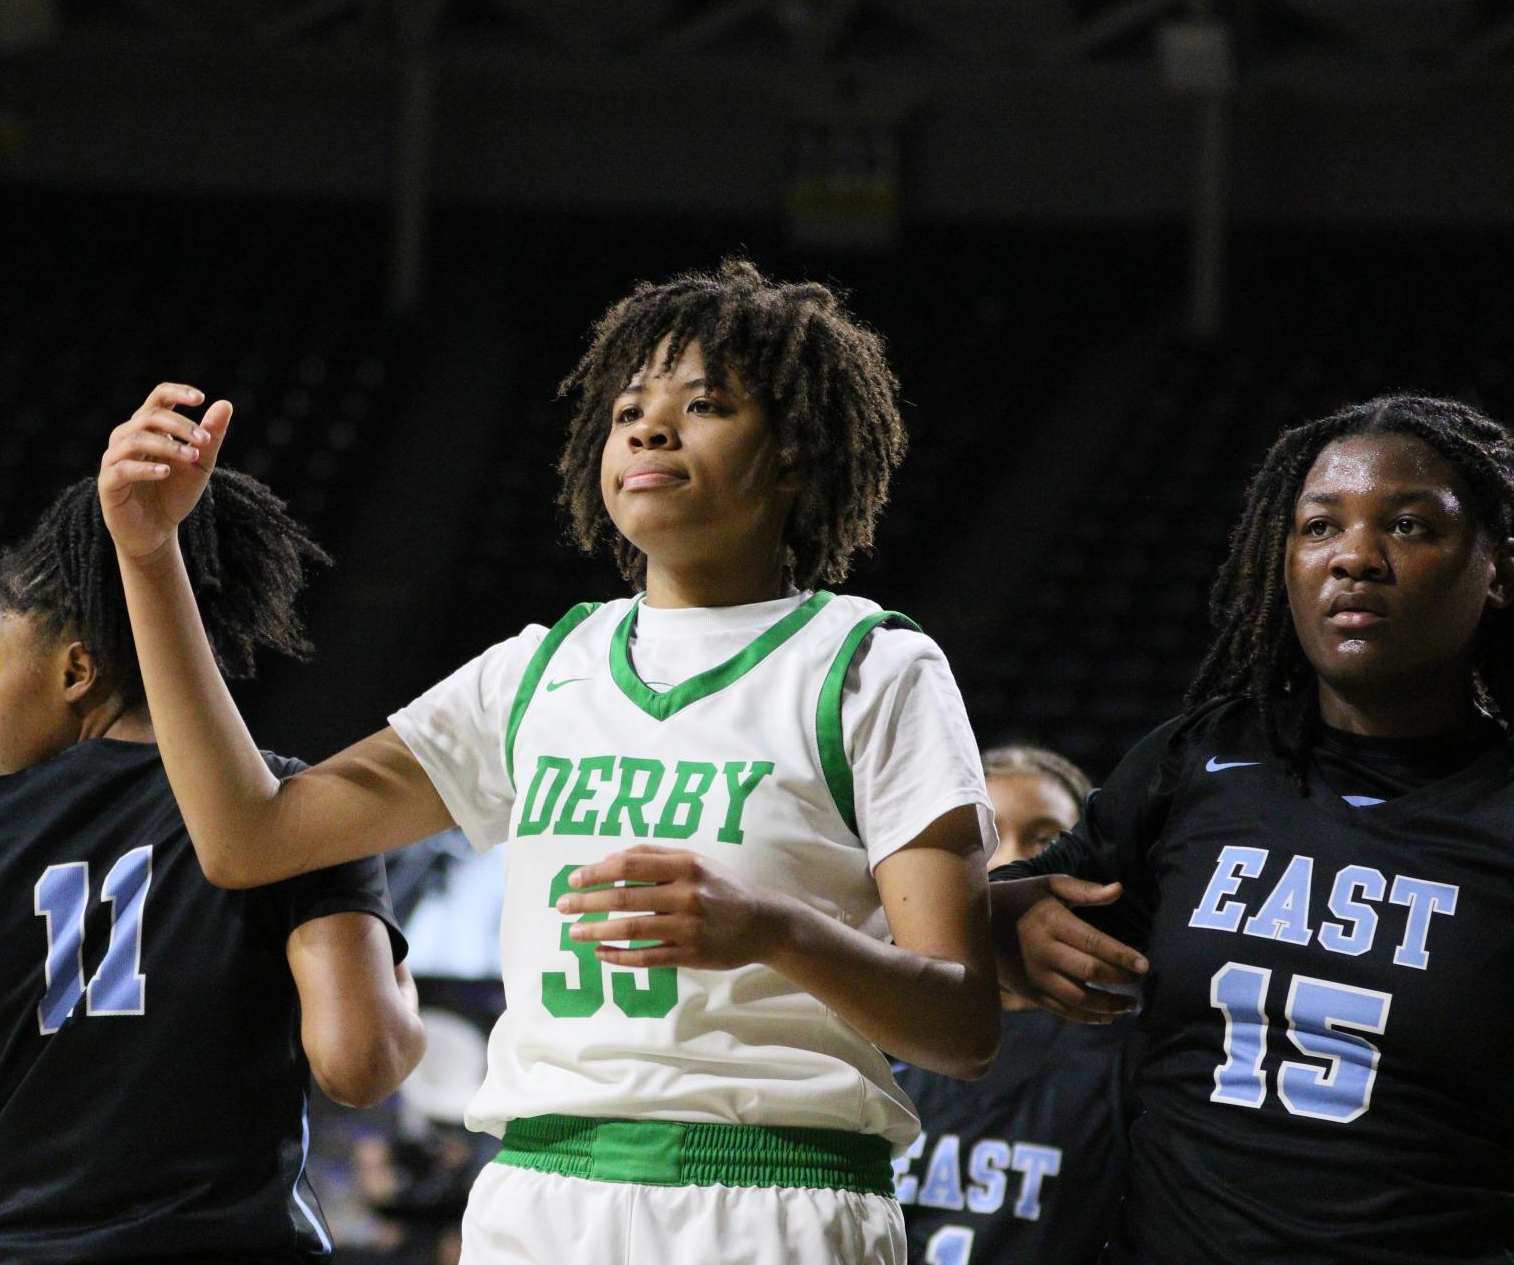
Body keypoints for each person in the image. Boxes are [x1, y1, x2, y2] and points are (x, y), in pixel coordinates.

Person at [99, 258, 1001, 1264]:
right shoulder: (533, 673)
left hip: (775, 1191)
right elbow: (249, 834)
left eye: (705, 405)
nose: (651, 430)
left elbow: (960, 1021)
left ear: (794, 453)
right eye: (629, 410)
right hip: (540, 1191)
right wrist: (151, 559)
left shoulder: (872, 666)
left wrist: (770, 928)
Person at [992, 393, 1514, 1261]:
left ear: (1496, 569)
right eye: (1318, 527)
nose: (1355, 557)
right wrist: (1002, 916)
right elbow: (1018, 908)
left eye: (1410, 526)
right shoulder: (1199, 761)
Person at [0, 474, 422, 1264]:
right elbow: (359, 1062)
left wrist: (66, 1135)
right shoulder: (291, 807)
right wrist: (400, 985)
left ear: (76, 670)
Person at [891, 745, 1128, 1265]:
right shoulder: (883, 1029)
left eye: (1045, 839)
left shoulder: (1126, 1055)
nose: (1012, 861)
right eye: (985, 838)